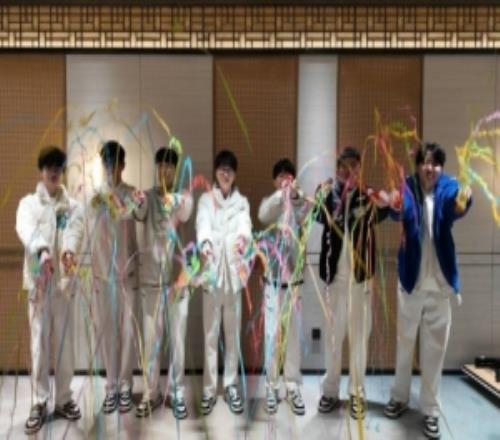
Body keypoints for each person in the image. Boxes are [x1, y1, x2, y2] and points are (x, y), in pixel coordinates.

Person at [384, 143, 472, 439]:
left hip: (439, 284)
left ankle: (431, 410)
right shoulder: (408, 187)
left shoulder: (448, 187)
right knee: (404, 342)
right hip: (412, 281)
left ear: (441, 168)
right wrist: (395, 204)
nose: (430, 168)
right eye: (425, 162)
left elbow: (454, 206)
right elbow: (398, 212)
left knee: (435, 348)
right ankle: (399, 397)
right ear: (418, 165)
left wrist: (462, 203)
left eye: (435, 163)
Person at [65, 140, 145, 414]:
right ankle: (110, 387)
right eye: (106, 163)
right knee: (107, 334)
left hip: (128, 275)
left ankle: (126, 387)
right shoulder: (94, 196)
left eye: (115, 162)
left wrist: (137, 203)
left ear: (123, 165)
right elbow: (80, 224)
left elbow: (138, 212)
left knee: (128, 333)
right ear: (103, 165)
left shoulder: (133, 193)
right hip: (102, 276)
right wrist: (70, 251)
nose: (111, 168)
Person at [315, 146, 390, 420]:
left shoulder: (367, 196)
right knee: (333, 339)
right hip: (334, 282)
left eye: (354, 167)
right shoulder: (327, 195)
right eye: (344, 167)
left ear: (360, 169)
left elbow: (385, 210)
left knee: (359, 341)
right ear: (338, 170)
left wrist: (386, 199)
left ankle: (357, 393)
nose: (349, 172)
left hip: (360, 283)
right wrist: (322, 194)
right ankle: (330, 392)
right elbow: (316, 215)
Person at [16, 146, 82, 434]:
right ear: (41, 171)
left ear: (62, 171)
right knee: (39, 346)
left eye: (58, 167)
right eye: (49, 167)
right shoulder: (28, 204)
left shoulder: (73, 206)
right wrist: (42, 251)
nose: (53, 172)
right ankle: (39, 402)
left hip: (63, 287)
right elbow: (26, 229)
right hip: (39, 286)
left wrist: (68, 254)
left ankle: (64, 399)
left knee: (66, 346)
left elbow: (75, 232)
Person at [135, 147, 193, 419]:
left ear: (176, 169)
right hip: (150, 281)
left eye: (170, 165)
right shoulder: (147, 197)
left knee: (178, 341)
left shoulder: (183, 198)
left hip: (177, 282)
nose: (164, 170)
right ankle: (151, 392)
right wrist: (136, 201)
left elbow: (185, 212)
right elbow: (138, 211)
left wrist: (174, 199)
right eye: (160, 165)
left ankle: (177, 392)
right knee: (151, 340)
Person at [196, 150, 252, 415]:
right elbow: (202, 224)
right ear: (216, 172)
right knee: (210, 335)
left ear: (235, 174)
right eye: (222, 169)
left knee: (232, 336)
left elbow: (245, 226)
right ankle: (209, 390)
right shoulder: (206, 199)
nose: (226, 173)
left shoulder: (242, 202)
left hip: (233, 276)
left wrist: (242, 240)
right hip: (212, 273)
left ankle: (230, 386)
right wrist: (206, 243)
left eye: (230, 169)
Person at [257, 158, 311, 415]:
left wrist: (297, 197)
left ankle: (292, 386)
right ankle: (271, 386)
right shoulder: (270, 203)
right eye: (280, 176)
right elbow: (262, 215)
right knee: (271, 336)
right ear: (274, 181)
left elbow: (308, 214)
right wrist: (282, 196)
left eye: (288, 176)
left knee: (293, 339)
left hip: (295, 283)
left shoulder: (300, 203)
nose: (285, 180)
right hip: (272, 282)